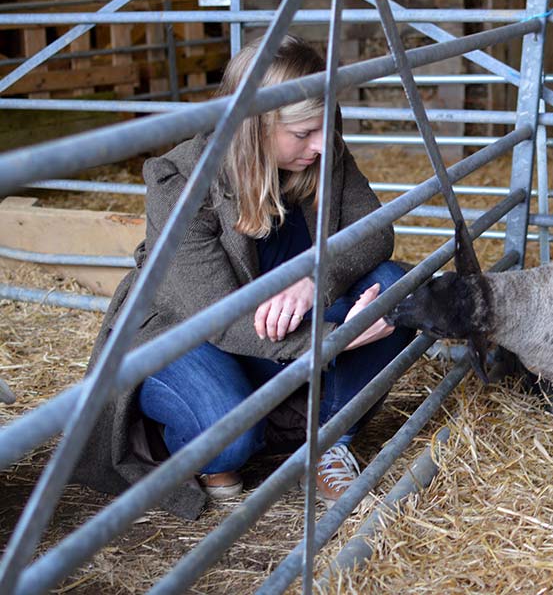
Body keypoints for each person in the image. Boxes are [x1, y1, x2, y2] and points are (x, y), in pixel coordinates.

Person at [73, 34, 414, 519]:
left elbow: (374, 231)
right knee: (231, 439)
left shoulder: (319, 148)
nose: (320, 146)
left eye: (323, 129)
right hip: (189, 333)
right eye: (301, 134)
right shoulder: (180, 181)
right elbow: (221, 318)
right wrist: (336, 338)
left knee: (395, 284)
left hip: (283, 326)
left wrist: (318, 277)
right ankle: (217, 437)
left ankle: (325, 439)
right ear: (255, 127)